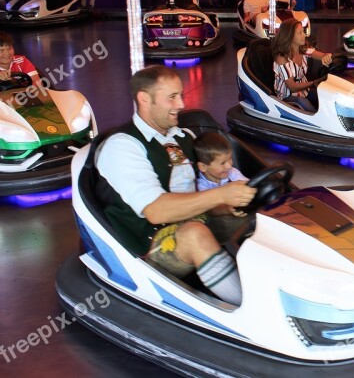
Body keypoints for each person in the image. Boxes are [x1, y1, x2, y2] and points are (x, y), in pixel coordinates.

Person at [95, 66, 257, 305]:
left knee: (256, 214)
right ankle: (249, 310)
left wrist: (229, 205)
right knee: (195, 235)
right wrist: (222, 194)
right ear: (144, 98)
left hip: (194, 219)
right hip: (151, 245)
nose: (181, 104)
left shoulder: (183, 137)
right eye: (172, 97)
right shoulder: (123, 146)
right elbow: (156, 211)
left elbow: (198, 195)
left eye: (180, 95)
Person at [272, 19, 333, 112]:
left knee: (328, 96)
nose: (304, 35)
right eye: (300, 33)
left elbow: (321, 55)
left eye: (303, 32)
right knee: (303, 103)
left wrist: (327, 57)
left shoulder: (303, 50)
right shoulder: (282, 58)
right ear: (290, 36)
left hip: (304, 92)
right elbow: (292, 87)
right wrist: (315, 82)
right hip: (287, 97)